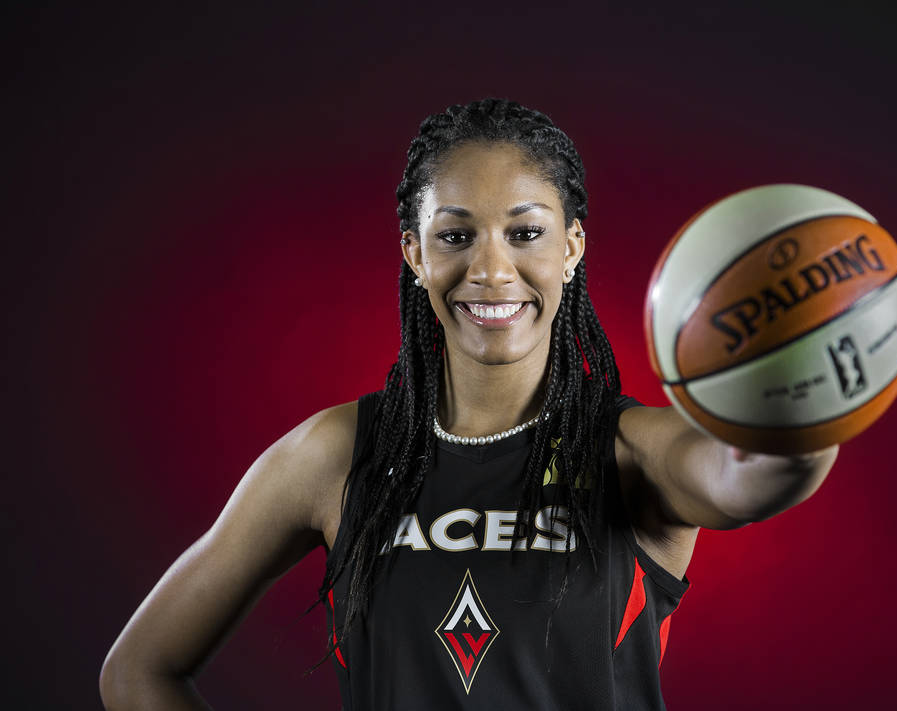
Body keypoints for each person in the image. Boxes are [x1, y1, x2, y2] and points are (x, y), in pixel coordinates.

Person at [100, 98, 838, 710]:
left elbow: (753, 476)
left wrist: (815, 389)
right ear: (416, 253)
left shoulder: (629, 449)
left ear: (572, 247)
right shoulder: (337, 453)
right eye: (456, 234)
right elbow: (138, 671)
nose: (490, 268)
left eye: (525, 233)